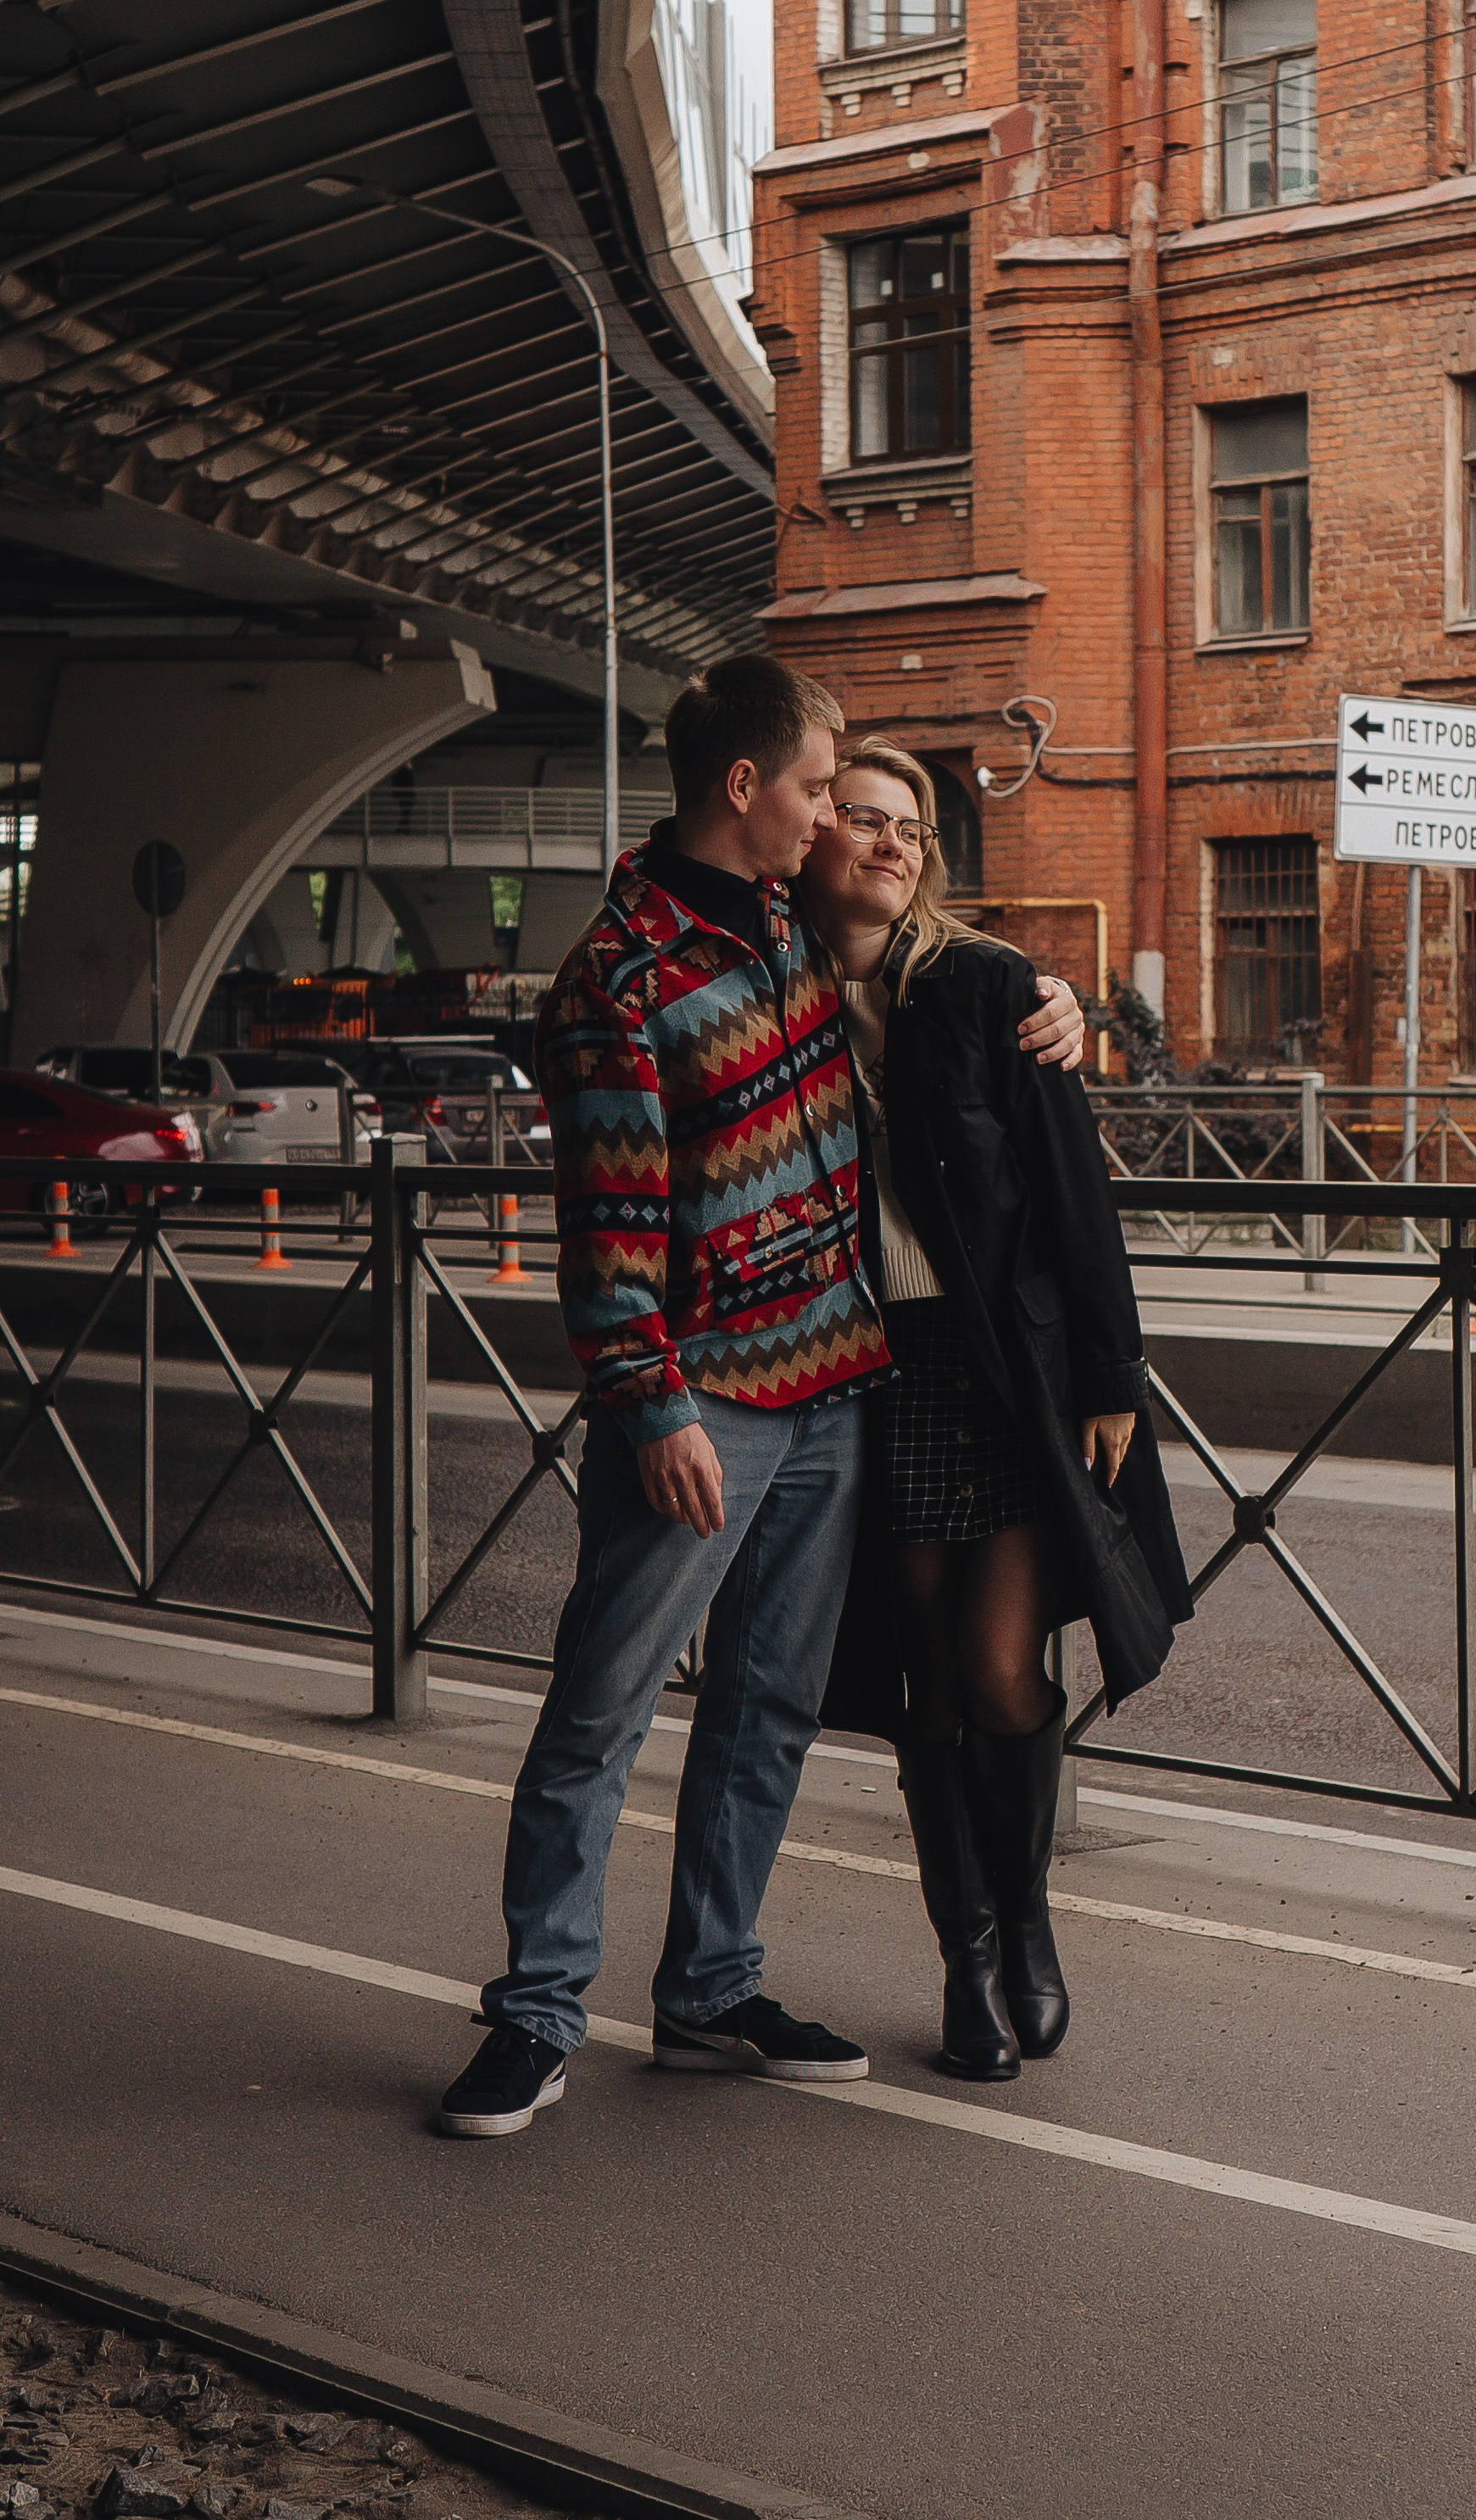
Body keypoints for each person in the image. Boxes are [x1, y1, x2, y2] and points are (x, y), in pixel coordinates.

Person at [436, 659, 1085, 2138]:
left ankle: (709, 1993)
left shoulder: (795, 924)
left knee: (769, 1710)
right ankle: (536, 2011)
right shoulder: (619, 981)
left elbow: (925, 955)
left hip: (838, 1391)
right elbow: (604, 1229)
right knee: (600, 1708)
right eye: (816, 786)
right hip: (702, 1411)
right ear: (748, 789)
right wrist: (649, 1406)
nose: (834, 815)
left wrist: (1049, 999)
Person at [805, 739, 1192, 2082]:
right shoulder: (773, 992)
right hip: (868, 1374)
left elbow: (1072, 1194)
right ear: (807, 834)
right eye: (860, 816)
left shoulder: (983, 990)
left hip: (1006, 1374)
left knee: (998, 1670)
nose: (893, 841)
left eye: (911, 825)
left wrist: (1111, 1376)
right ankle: (964, 1957)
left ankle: (1027, 1920)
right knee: (925, 1690)